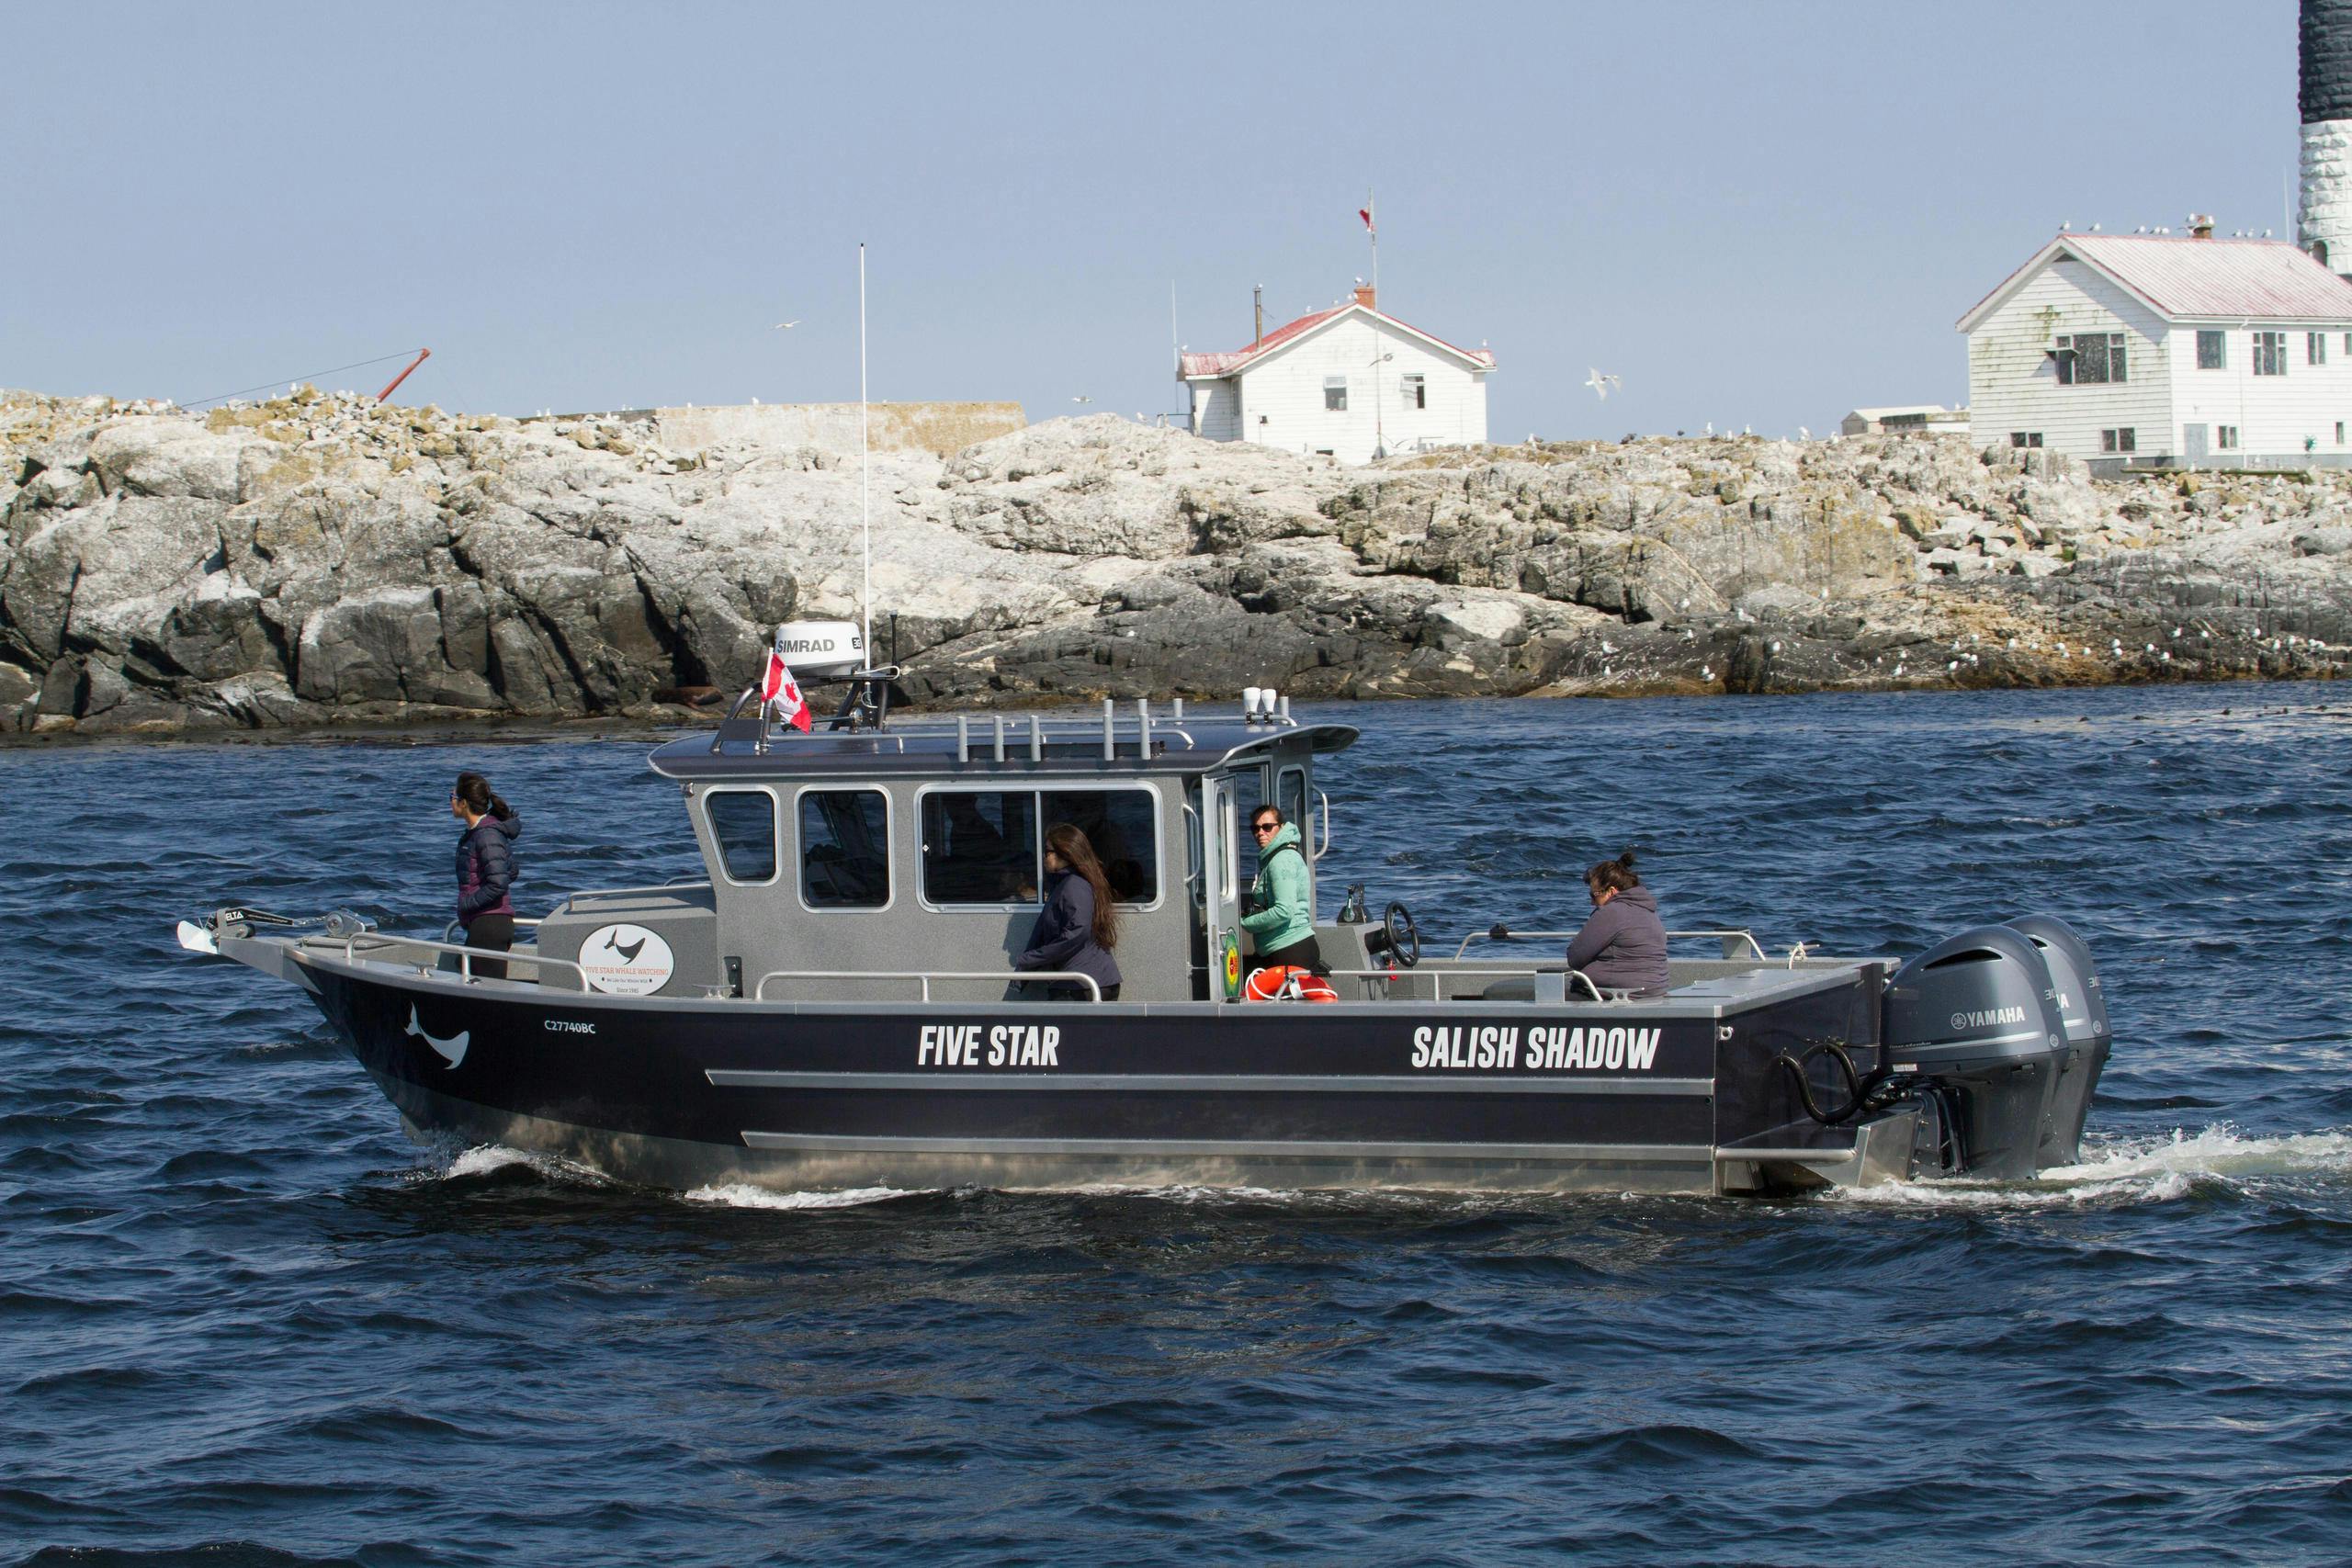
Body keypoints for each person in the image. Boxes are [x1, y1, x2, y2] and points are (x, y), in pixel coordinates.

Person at [1013, 823, 1122, 1001]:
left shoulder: (1073, 886)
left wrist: (1032, 957)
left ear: (1065, 854)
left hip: (1082, 985)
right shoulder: (1066, 884)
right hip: (1086, 981)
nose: (1044, 857)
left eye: (1047, 851)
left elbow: (1077, 932)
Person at [1564, 850, 1668, 998]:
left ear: (1611, 892)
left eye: (1594, 895)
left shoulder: (1611, 912)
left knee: (1541, 994)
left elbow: (1575, 958)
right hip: (1652, 992)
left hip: (1612, 996)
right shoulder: (1648, 911)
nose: (1592, 902)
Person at [451, 771, 523, 980]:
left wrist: (467, 903)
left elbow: (499, 883)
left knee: (486, 992)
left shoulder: (486, 834)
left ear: (463, 803)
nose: (450, 803)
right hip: (483, 923)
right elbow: (511, 870)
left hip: (490, 924)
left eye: (452, 798)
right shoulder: (479, 832)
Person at [1241, 806, 1323, 978]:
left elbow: (1284, 911)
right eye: (1255, 828)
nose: (1260, 833)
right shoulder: (1277, 857)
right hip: (1280, 949)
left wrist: (1244, 922)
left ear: (1281, 827)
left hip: (1290, 950)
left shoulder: (1281, 860)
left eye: (1267, 827)